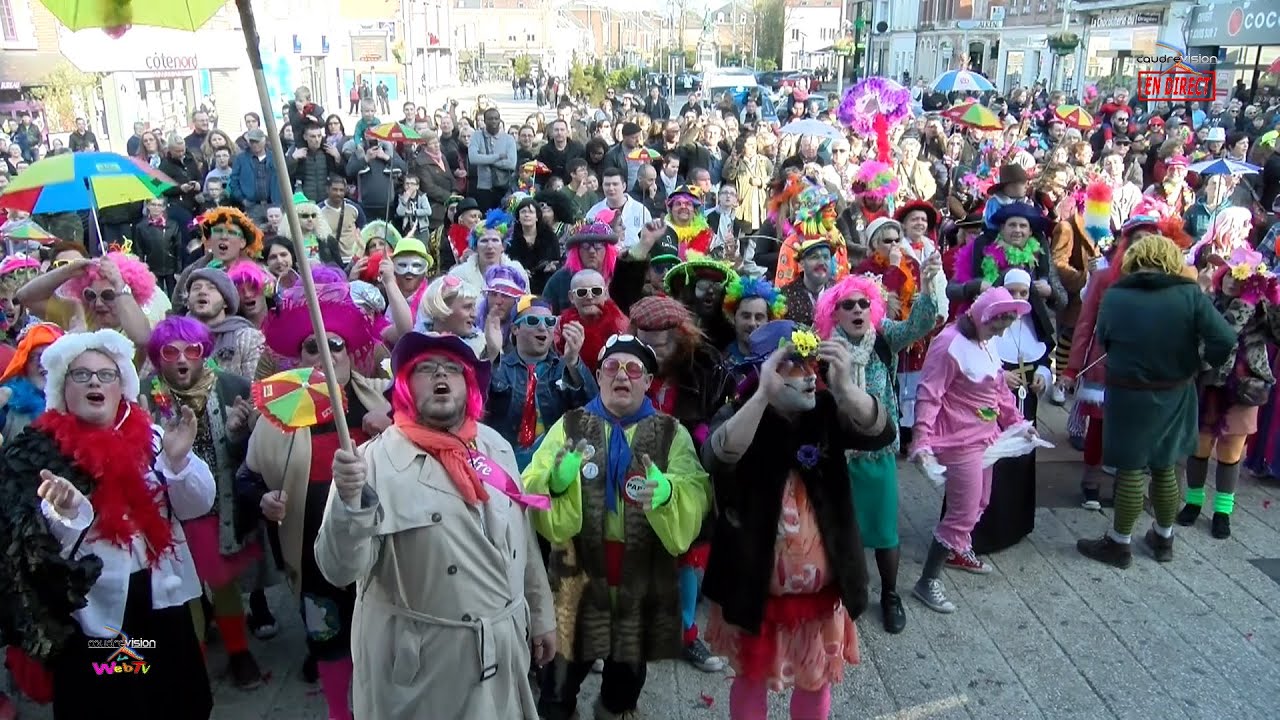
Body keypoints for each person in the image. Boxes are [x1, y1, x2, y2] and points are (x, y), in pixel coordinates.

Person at [315, 332, 556, 719]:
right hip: (422, 671)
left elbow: (522, 542)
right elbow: (339, 569)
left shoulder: (496, 447)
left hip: (503, 650)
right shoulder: (370, 464)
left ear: (470, 385)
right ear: (406, 388)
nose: (440, 375)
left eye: (452, 369)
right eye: (425, 369)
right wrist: (348, 502)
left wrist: (541, 616)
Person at [0, 329, 214, 719]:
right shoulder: (36, 452)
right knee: (120, 700)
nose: (95, 381)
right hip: (99, 613)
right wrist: (68, 512)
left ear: (122, 387)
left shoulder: (151, 438)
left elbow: (197, 505)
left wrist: (179, 463)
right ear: (63, 389)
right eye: (81, 375)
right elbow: (29, 551)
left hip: (162, 596)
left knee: (180, 697)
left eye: (106, 374)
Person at [701, 320, 893, 720]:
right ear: (763, 369)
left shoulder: (826, 410)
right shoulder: (739, 410)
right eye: (793, 366)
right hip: (753, 589)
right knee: (751, 677)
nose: (809, 377)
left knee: (815, 678)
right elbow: (716, 457)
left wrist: (844, 388)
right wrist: (761, 396)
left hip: (820, 591)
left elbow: (881, 433)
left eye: (811, 366)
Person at [524, 334, 712, 720]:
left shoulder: (671, 432)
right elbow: (531, 481)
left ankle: (613, 709)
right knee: (560, 681)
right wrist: (556, 483)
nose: (621, 375)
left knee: (624, 680)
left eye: (633, 369)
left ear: (647, 382)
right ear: (598, 374)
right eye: (612, 367)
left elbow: (696, 488)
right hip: (577, 577)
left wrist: (669, 492)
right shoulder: (570, 425)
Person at [244, 270, 390, 719]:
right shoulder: (278, 418)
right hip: (312, 556)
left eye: (336, 346)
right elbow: (246, 478)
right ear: (297, 358)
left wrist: (392, 434)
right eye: (312, 346)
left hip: (378, 553)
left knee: (378, 639)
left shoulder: (383, 404)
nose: (325, 355)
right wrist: (262, 500)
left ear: (350, 354)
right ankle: (337, 712)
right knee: (326, 640)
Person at [1076, 235, 1237, 567]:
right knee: (1166, 466)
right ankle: (1164, 540)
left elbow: (1104, 338)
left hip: (1127, 393)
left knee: (1131, 468)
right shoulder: (1191, 294)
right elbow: (1224, 338)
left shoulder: (1117, 295)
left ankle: (1119, 545)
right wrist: (1204, 363)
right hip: (1176, 390)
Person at [814, 268, 939, 633]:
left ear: (873, 309)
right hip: (839, 453)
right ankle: (840, 592)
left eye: (863, 303)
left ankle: (889, 595)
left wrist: (929, 288)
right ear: (833, 314)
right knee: (836, 528)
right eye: (847, 304)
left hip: (879, 451)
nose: (856, 310)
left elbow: (921, 325)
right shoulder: (823, 347)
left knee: (885, 532)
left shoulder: (884, 338)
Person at [141, 317, 263, 688]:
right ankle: (192, 668)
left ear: (203, 354)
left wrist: (240, 432)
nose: (182, 359)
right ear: (157, 358)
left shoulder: (232, 387)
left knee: (220, 583)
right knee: (178, 590)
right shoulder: (144, 394)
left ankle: (240, 654)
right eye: (170, 351)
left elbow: (255, 456)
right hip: (166, 514)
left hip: (215, 509)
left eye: (191, 350)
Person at [909, 287, 1035, 613]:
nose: (1001, 331)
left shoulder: (986, 340)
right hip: (958, 440)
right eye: (997, 325)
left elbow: (999, 391)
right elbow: (929, 393)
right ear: (982, 316)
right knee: (962, 513)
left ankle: (957, 550)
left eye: (1006, 326)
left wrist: (1018, 423)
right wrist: (921, 440)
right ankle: (927, 582)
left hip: (986, 438)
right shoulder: (948, 344)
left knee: (980, 501)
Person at [1178, 248, 1278, 540]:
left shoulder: (1261, 307)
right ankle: (1194, 503)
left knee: (1231, 451)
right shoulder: (1208, 302)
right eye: (1229, 273)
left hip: (1245, 388)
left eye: (1241, 275)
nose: (1233, 280)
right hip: (1209, 384)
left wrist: (1273, 301)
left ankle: (1223, 512)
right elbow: (1224, 332)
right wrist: (1242, 304)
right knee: (1200, 447)